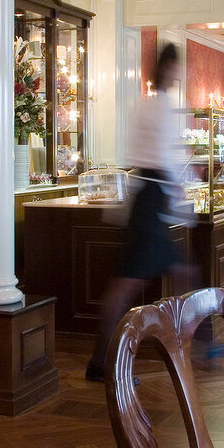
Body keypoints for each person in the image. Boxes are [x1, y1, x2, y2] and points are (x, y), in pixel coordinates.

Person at [86, 43, 197, 382]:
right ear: (168, 69)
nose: (178, 74)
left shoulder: (150, 104)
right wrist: (183, 183)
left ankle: (181, 347)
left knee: (181, 273)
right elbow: (164, 159)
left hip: (150, 199)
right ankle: (107, 361)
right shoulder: (160, 106)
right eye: (176, 68)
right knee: (129, 285)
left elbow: (157, 155)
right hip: (151, 200)